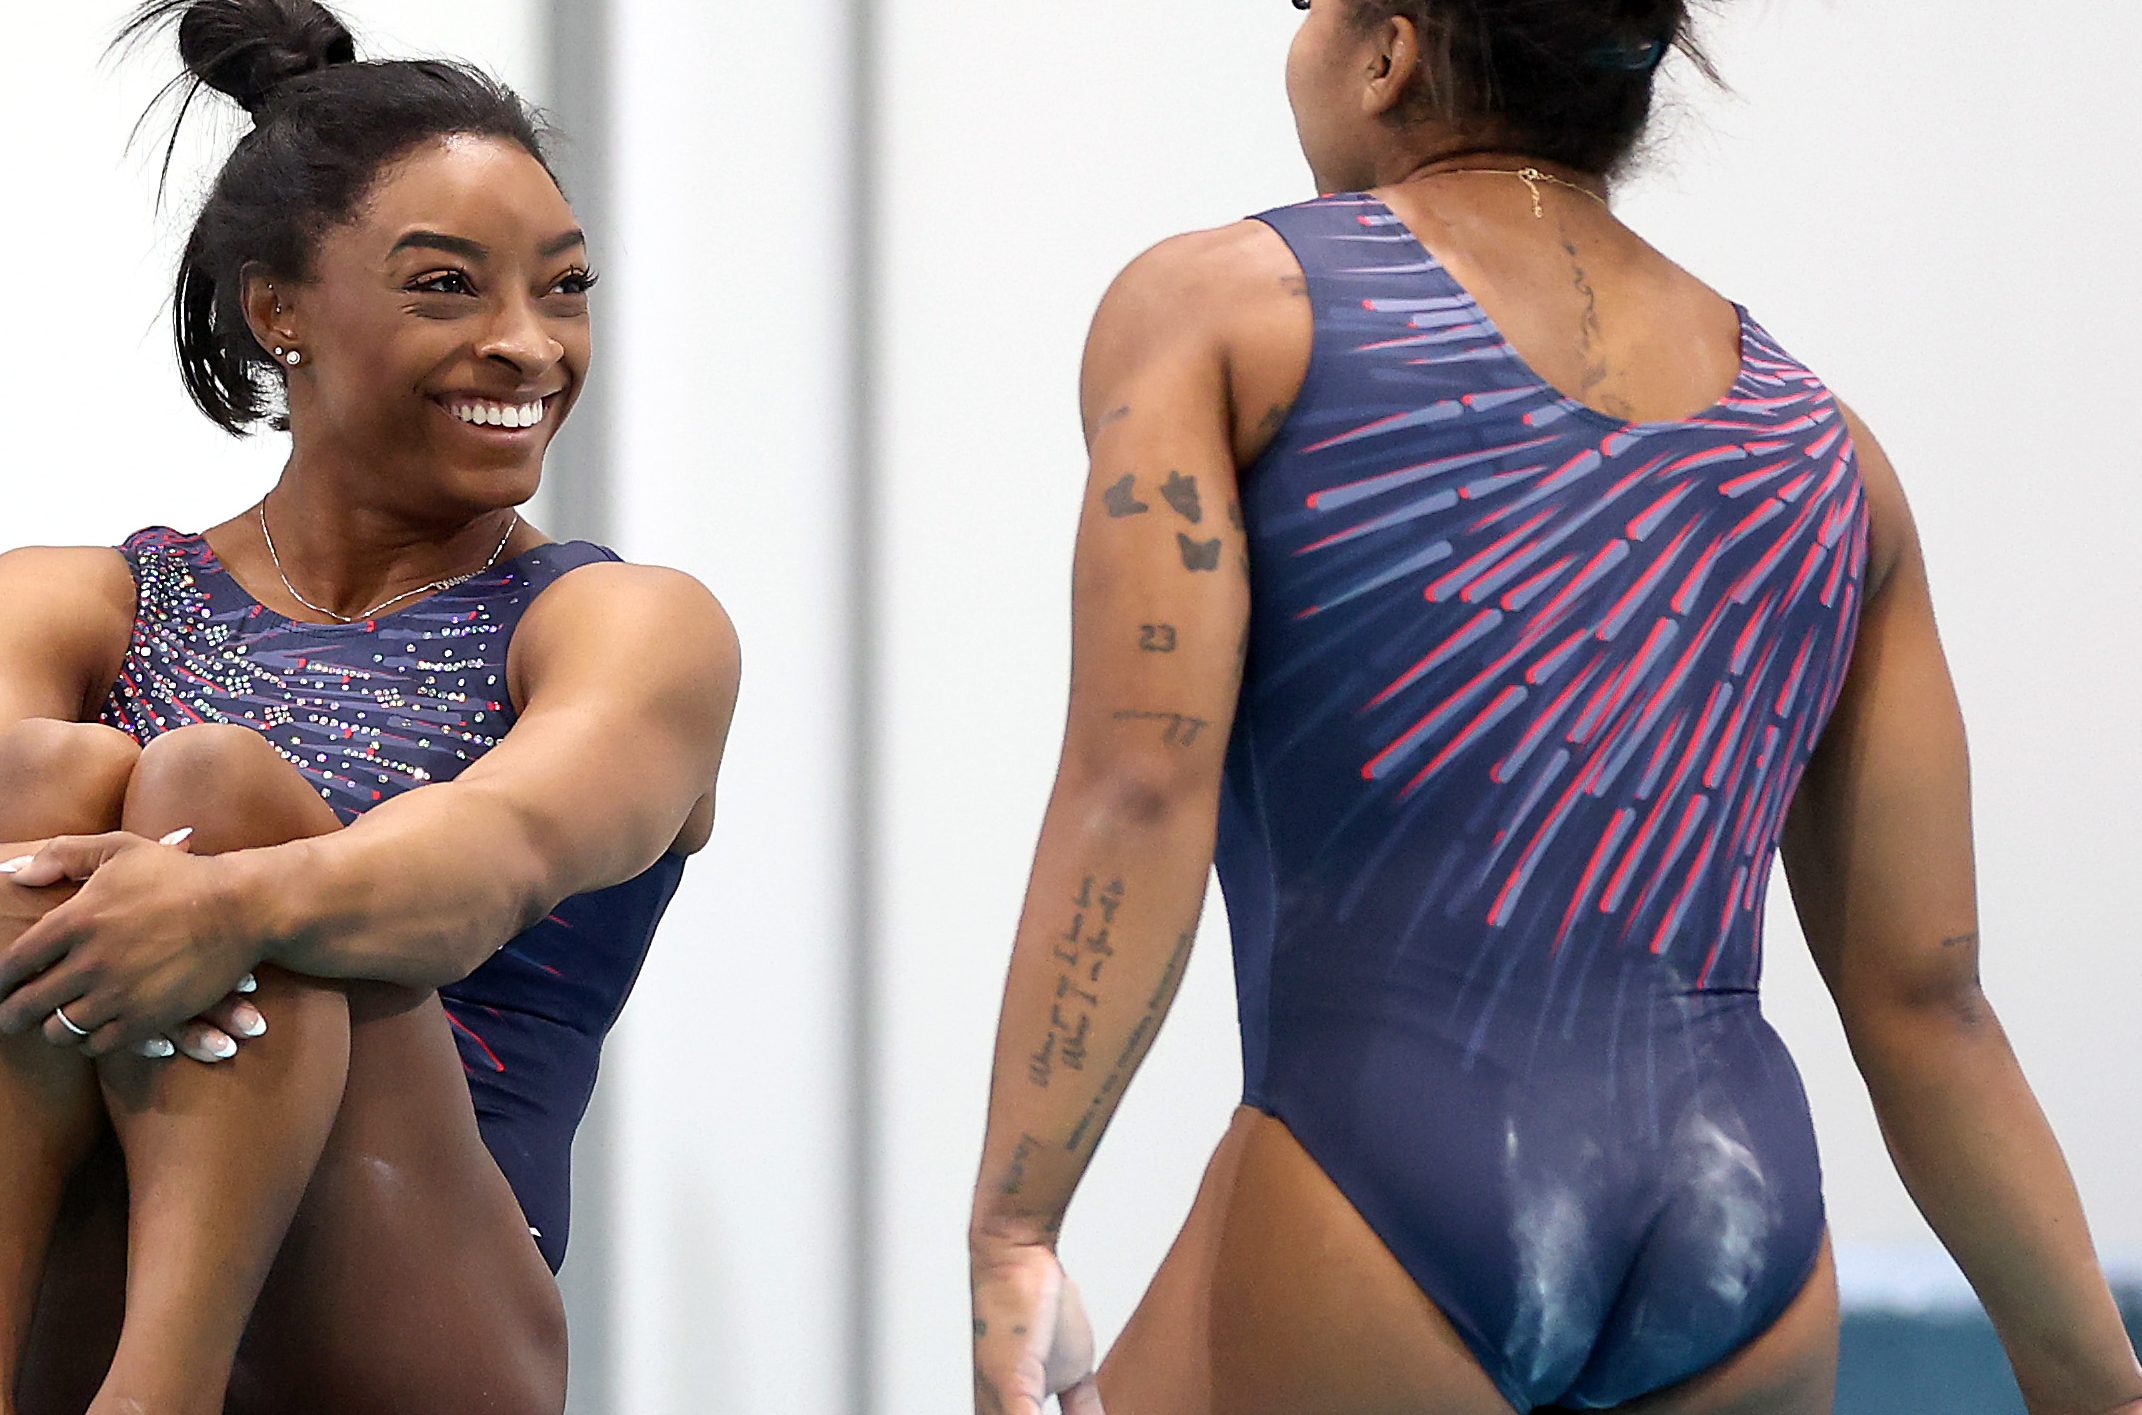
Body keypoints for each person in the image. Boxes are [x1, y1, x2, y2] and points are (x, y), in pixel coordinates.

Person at [968, 3, 2142, 1412]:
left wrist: (1015, 1227)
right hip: (1739, 1219)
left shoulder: (1225, 310)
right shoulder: (1828, 455)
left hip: (1391, 1173)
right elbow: (1926, 1002)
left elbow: (1138, 785)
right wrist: (2094, 1383)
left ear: (1388, 53)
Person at [0, 2, 739, 1412]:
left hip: (425, 1309)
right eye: (448, 288)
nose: (530, 347)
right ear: (279, 309)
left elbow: (494, 860)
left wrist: (232, 906)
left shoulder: (621, 626)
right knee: (38, 777)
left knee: (212, 796)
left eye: (566, 289)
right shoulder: (77, 604)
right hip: (73, 1264)